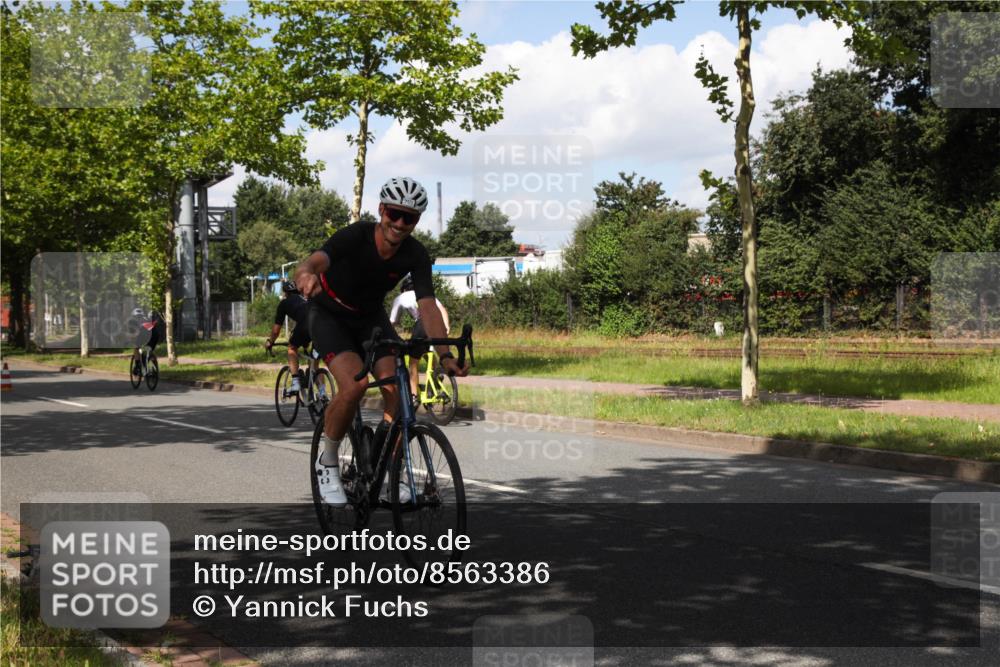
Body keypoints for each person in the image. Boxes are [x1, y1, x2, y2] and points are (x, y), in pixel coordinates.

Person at [294, 176, 468, 506]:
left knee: (400, 395)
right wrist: (305, 273)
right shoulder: (356, 235)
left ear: (417, 220)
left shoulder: (416, 254)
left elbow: (428, 305)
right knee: (354, 386)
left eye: (409, 218)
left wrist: (445, 355)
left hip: (370, 319)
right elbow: (316, 261)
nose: (400, 223)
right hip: (329, 315)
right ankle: (327, 462)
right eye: (394, 213)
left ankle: (389, 471)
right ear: (381, 210)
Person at [389, 273, 450, 400]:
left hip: (422, 324)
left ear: (404, 289)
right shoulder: (426, 295)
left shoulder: (401, 297)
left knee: (413, 363)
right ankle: (435, 380)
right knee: (428, 354)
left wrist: (390, 334)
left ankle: (414, 396)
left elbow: (393, 321)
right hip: (437, 325)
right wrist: (446, 326)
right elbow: (442, 309)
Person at [264, 281, 312, 393]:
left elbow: (276, 330)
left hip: (305, 325)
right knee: (314, 361)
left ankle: (295, 383)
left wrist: (270, 342)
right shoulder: (307, 299)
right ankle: (322, 391)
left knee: (292, 348)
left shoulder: (284, 303)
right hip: (321, 323)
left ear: (285, 293)